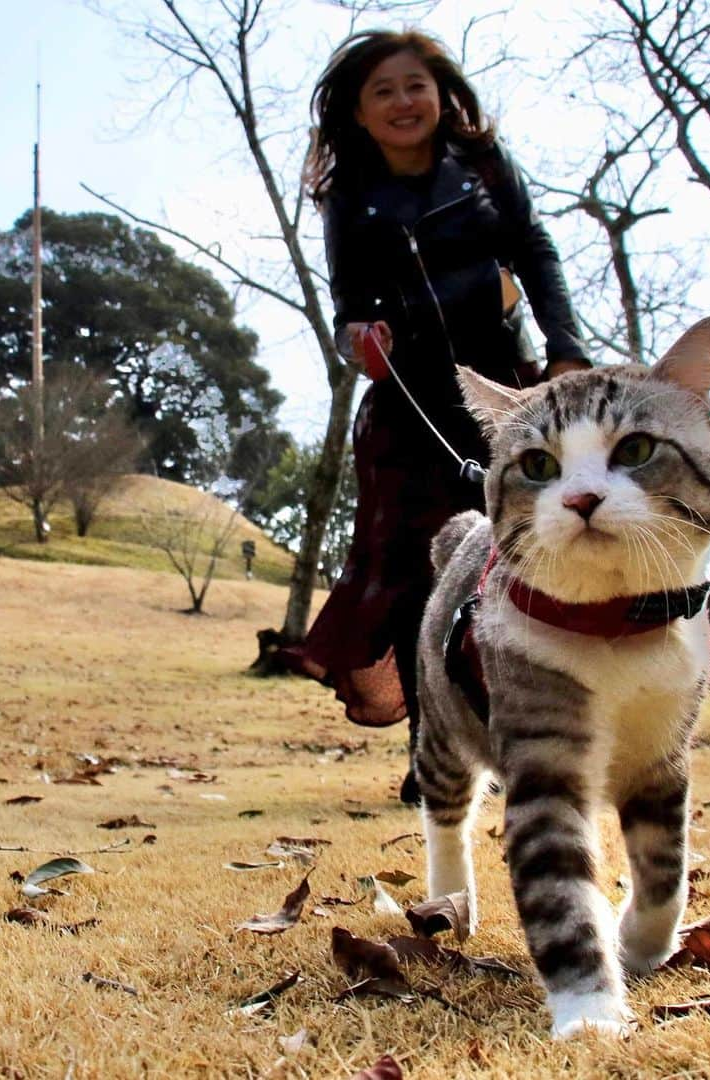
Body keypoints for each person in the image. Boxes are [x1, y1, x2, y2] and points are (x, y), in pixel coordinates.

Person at [283, 30, 591, 804]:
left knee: (527, 558)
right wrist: (360, 339)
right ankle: (433, 755)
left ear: (441, 92)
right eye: (382, 90)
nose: (402, 102)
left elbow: (536, 252)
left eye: (413, 85)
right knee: (420, 577)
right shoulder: (348, 193)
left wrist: (565, 348)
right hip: (409, 407)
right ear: (358, 110)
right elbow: (348, 305)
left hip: (506, 391)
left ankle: (540, 736)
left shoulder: (484, 167)